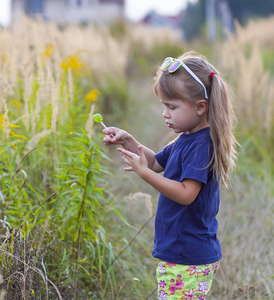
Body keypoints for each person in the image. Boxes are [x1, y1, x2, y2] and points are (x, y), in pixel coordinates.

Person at [102, 51, 238, 299]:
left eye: (172, 107)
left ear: (200, 107)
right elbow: (155, 163)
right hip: (182, 252)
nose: (165, 113)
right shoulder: (186, 139)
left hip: (189, 255)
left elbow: (186, 194)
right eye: (164, 106)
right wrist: (130, 141)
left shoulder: (201, 145)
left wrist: (144, 175)